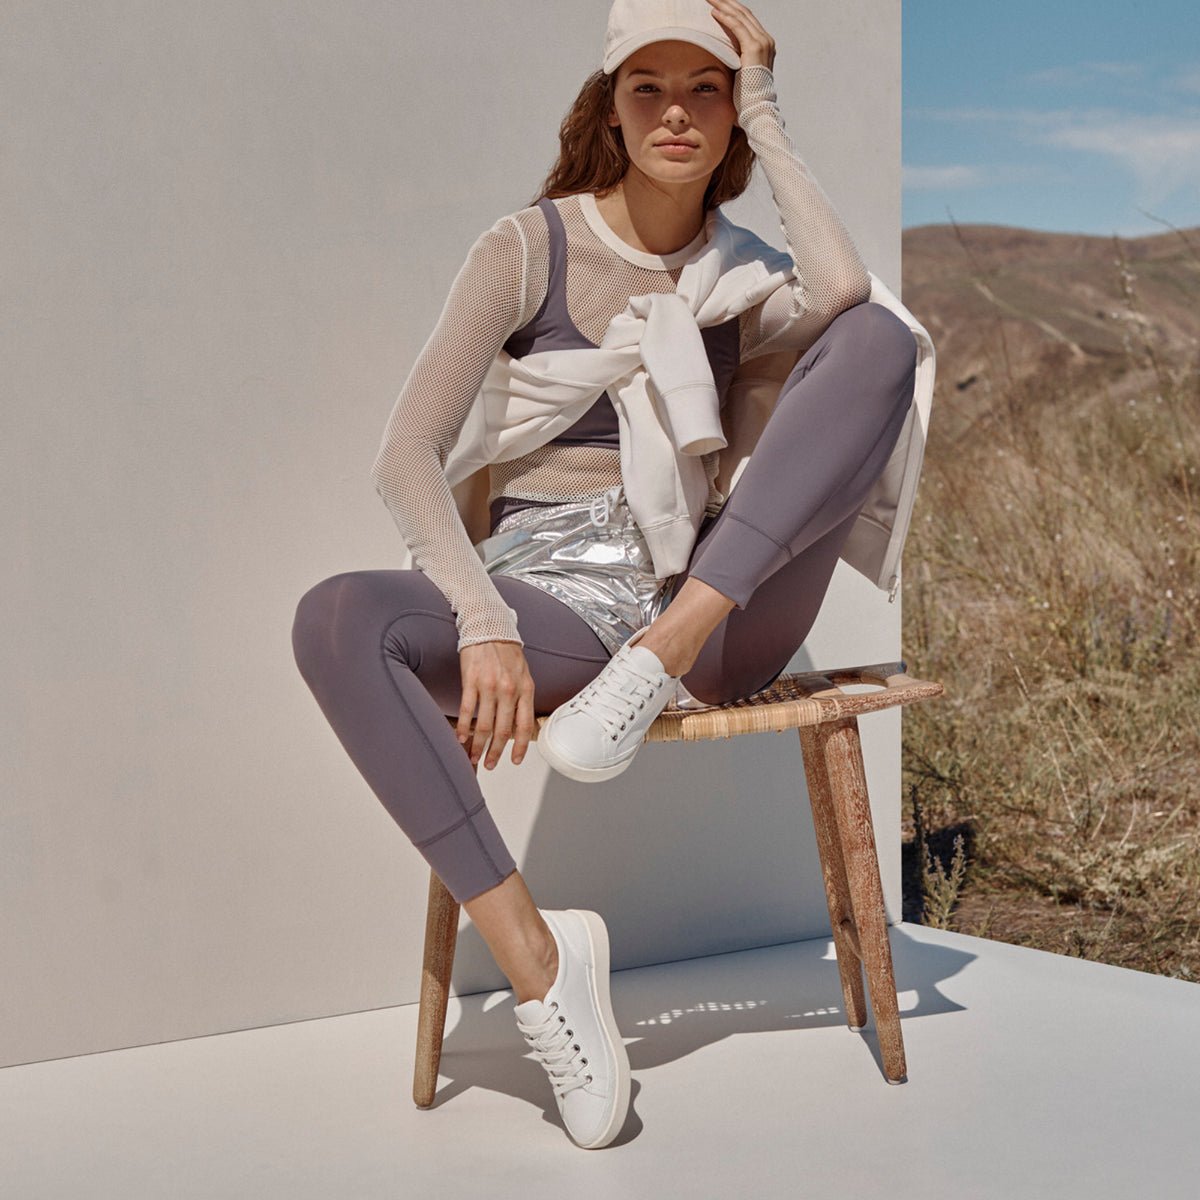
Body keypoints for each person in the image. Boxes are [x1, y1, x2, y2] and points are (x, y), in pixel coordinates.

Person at [292, 0, 921, 1150]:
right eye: (649, 89)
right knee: (336, 620)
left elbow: (840, 293)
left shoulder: (739, 269)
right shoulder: (527, 250)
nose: (678, 113)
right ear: (611, 107)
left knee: (879, 337)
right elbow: (405, 454)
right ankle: (544, 970)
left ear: (732, 115)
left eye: (706, 91)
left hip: (708, 600)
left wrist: (769, 106)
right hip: (553, 601)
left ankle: (660, 655)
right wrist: (480, 617)